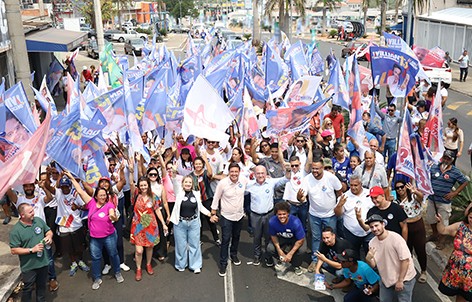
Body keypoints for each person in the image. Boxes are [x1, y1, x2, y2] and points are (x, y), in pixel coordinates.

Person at [65, 171, 124, 290]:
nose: (103, 197)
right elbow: (81, 191)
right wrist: (71, 177)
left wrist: (113, 217)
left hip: (109, 236)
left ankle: (117, 272)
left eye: (104, 195)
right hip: (94, 239)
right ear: (96, 196)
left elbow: (112, 214)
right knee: (96, 258)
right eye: (100, 195)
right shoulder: (91, 203)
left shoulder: (109, 205)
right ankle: (97, 278)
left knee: (113, 254)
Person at [297, 158, 343, 271]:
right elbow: (302, 197)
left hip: (330, 214)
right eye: (313, 168)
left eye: (317, 168)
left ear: (322, 168)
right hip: (314, 214)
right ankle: (315, 260)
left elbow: (339, 191)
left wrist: (338, 206)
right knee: (316, 238)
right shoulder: (307, 179)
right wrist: (300, 197)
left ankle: (333, 259)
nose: (315, 171)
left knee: (331, 239)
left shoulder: (331, 178)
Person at [365, 214, 417, 302]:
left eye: (376, 225)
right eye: (371, 227)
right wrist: (368, 259)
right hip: (386, 279)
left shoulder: (396, 238)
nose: (374, 229)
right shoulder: (372, 243)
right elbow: (373, 264)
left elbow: (405, 261)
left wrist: (400, 281)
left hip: (404, 279)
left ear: (383, 224)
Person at [246, 165, 290, 266]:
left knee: (268, 236)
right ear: (255, 174)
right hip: (255, 215)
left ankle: (268, 256)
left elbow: (286, 179)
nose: (260, 175)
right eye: (258, 173)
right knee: (256, 237)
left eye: (262, 173)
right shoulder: (250, 184)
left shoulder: (271, 182)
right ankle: (257, 256)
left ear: (266, 174)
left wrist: (288, 169)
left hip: (269, 214)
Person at [10, 203, 54, 302]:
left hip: (43, 263)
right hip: (29, 266)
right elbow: (14, 250)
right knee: (28, 289)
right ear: (22, 215)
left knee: (41, 287)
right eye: (30, 212)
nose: (33, 213)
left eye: (33, 211)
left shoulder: (38, 221)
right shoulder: (16, 230)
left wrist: (49, 237)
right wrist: (31, 250)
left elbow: (48, 231)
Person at [170, 176, 213, 273]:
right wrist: (174, 172)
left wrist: (209, 214)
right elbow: (175, 182)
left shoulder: (196, 194)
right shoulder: (178, 193)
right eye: (186, 182)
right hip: (180, 223)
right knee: (181, 245)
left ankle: (195, 265)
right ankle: (181, 264)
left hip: (194, 223)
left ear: (192, 184)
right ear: (182, 183)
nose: (188, 184)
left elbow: (200, 207)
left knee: (195, 244)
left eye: (190, 182)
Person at [211, 163, 248, 277]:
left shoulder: (243, 180)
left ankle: (233, 254)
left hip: (239, 215)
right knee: (226, 239)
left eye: (236, 171)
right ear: (228, 172)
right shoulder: (223, 183)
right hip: (227, 216)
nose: (234, 174)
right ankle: (223, 263)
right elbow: (216, 197)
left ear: (239, 172)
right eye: (232, 172)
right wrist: (213, 212)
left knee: (236, 237)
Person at [427, 150, 469, 249]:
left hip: (444, 202)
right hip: (432, 199)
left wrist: (455, 192)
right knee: (430, 219)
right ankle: (435, 234)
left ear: (452, 160)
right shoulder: (434, 167)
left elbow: (465, 181)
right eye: (444, 157)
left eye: (448, 159)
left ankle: (442, 240)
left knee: (443, 222)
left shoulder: (455, 172)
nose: (445, 160)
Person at [129, 177, 168, 281]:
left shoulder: (153, 197)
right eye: (141, 185)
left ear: (148, 185)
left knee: (149, 247)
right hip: (138, 227)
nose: (143, 187)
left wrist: (163, 224)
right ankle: (138, 268)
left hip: (151, 226)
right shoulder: (135, 196)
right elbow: (131, 184)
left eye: (145, 185)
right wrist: (132, 172)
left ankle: (148, 264)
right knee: (139, 250)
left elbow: (158, 211)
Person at [394, 181, 427, 283]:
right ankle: (408, 270)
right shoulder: (396, 202)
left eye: (402, 187)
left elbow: (421, 198)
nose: (400, 189)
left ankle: (423, 271)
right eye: (397, 188)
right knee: (407, 250)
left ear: (406, 187)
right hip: (405, 227)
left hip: (417, 226)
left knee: (420, 249)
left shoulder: (413, 197)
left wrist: (415, 191)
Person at [436, 209, 472, 302]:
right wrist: (440, 222)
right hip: (455, 270)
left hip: (470, 275)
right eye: (471, 217)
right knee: (460, 296)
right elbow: (443, 230)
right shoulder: (461, 226)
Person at [334, 175, 374, 255]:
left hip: (369, 231)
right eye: (351, 185)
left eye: (355, 185)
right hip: (351, 233)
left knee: (370, 255)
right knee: (353, 255)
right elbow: (338, 214)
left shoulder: (370, 194)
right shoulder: (344, 196)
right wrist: (339, 205)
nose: (353, 187)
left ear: (361, 184)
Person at [267, 202, 305, 275]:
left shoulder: (295, 222)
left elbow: (300, 240)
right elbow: (273, 236)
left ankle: (296, 265)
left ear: (288, 214)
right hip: (281, 237)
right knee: (270, 248)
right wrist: (279, 250)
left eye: (284, 214)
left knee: (302, 250)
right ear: (276, 214)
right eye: (279, 214)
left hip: (295, 238)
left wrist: (290, 254)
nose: (282, 216)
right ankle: (281, 258)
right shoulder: (272, 221)